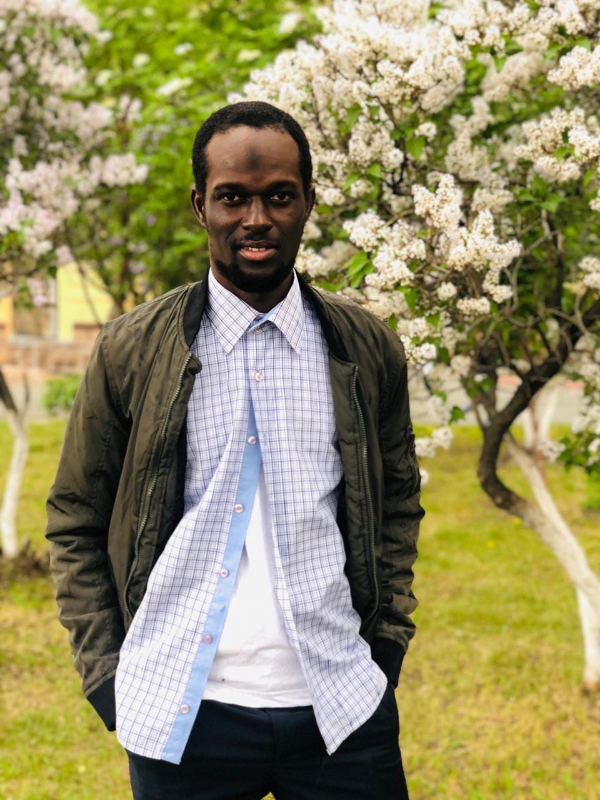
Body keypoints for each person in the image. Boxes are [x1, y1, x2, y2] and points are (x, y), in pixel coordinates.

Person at [46, 100, 425, 800]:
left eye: (279, 196)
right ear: (201, 205)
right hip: (183, 712)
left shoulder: (365, 348)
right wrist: (106, 673)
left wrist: (386, 648)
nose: (256, 219)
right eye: (232, 198)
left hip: (342, 703)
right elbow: (75, 518)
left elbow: (399, 503)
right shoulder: (132, 349)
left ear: (308, 201)